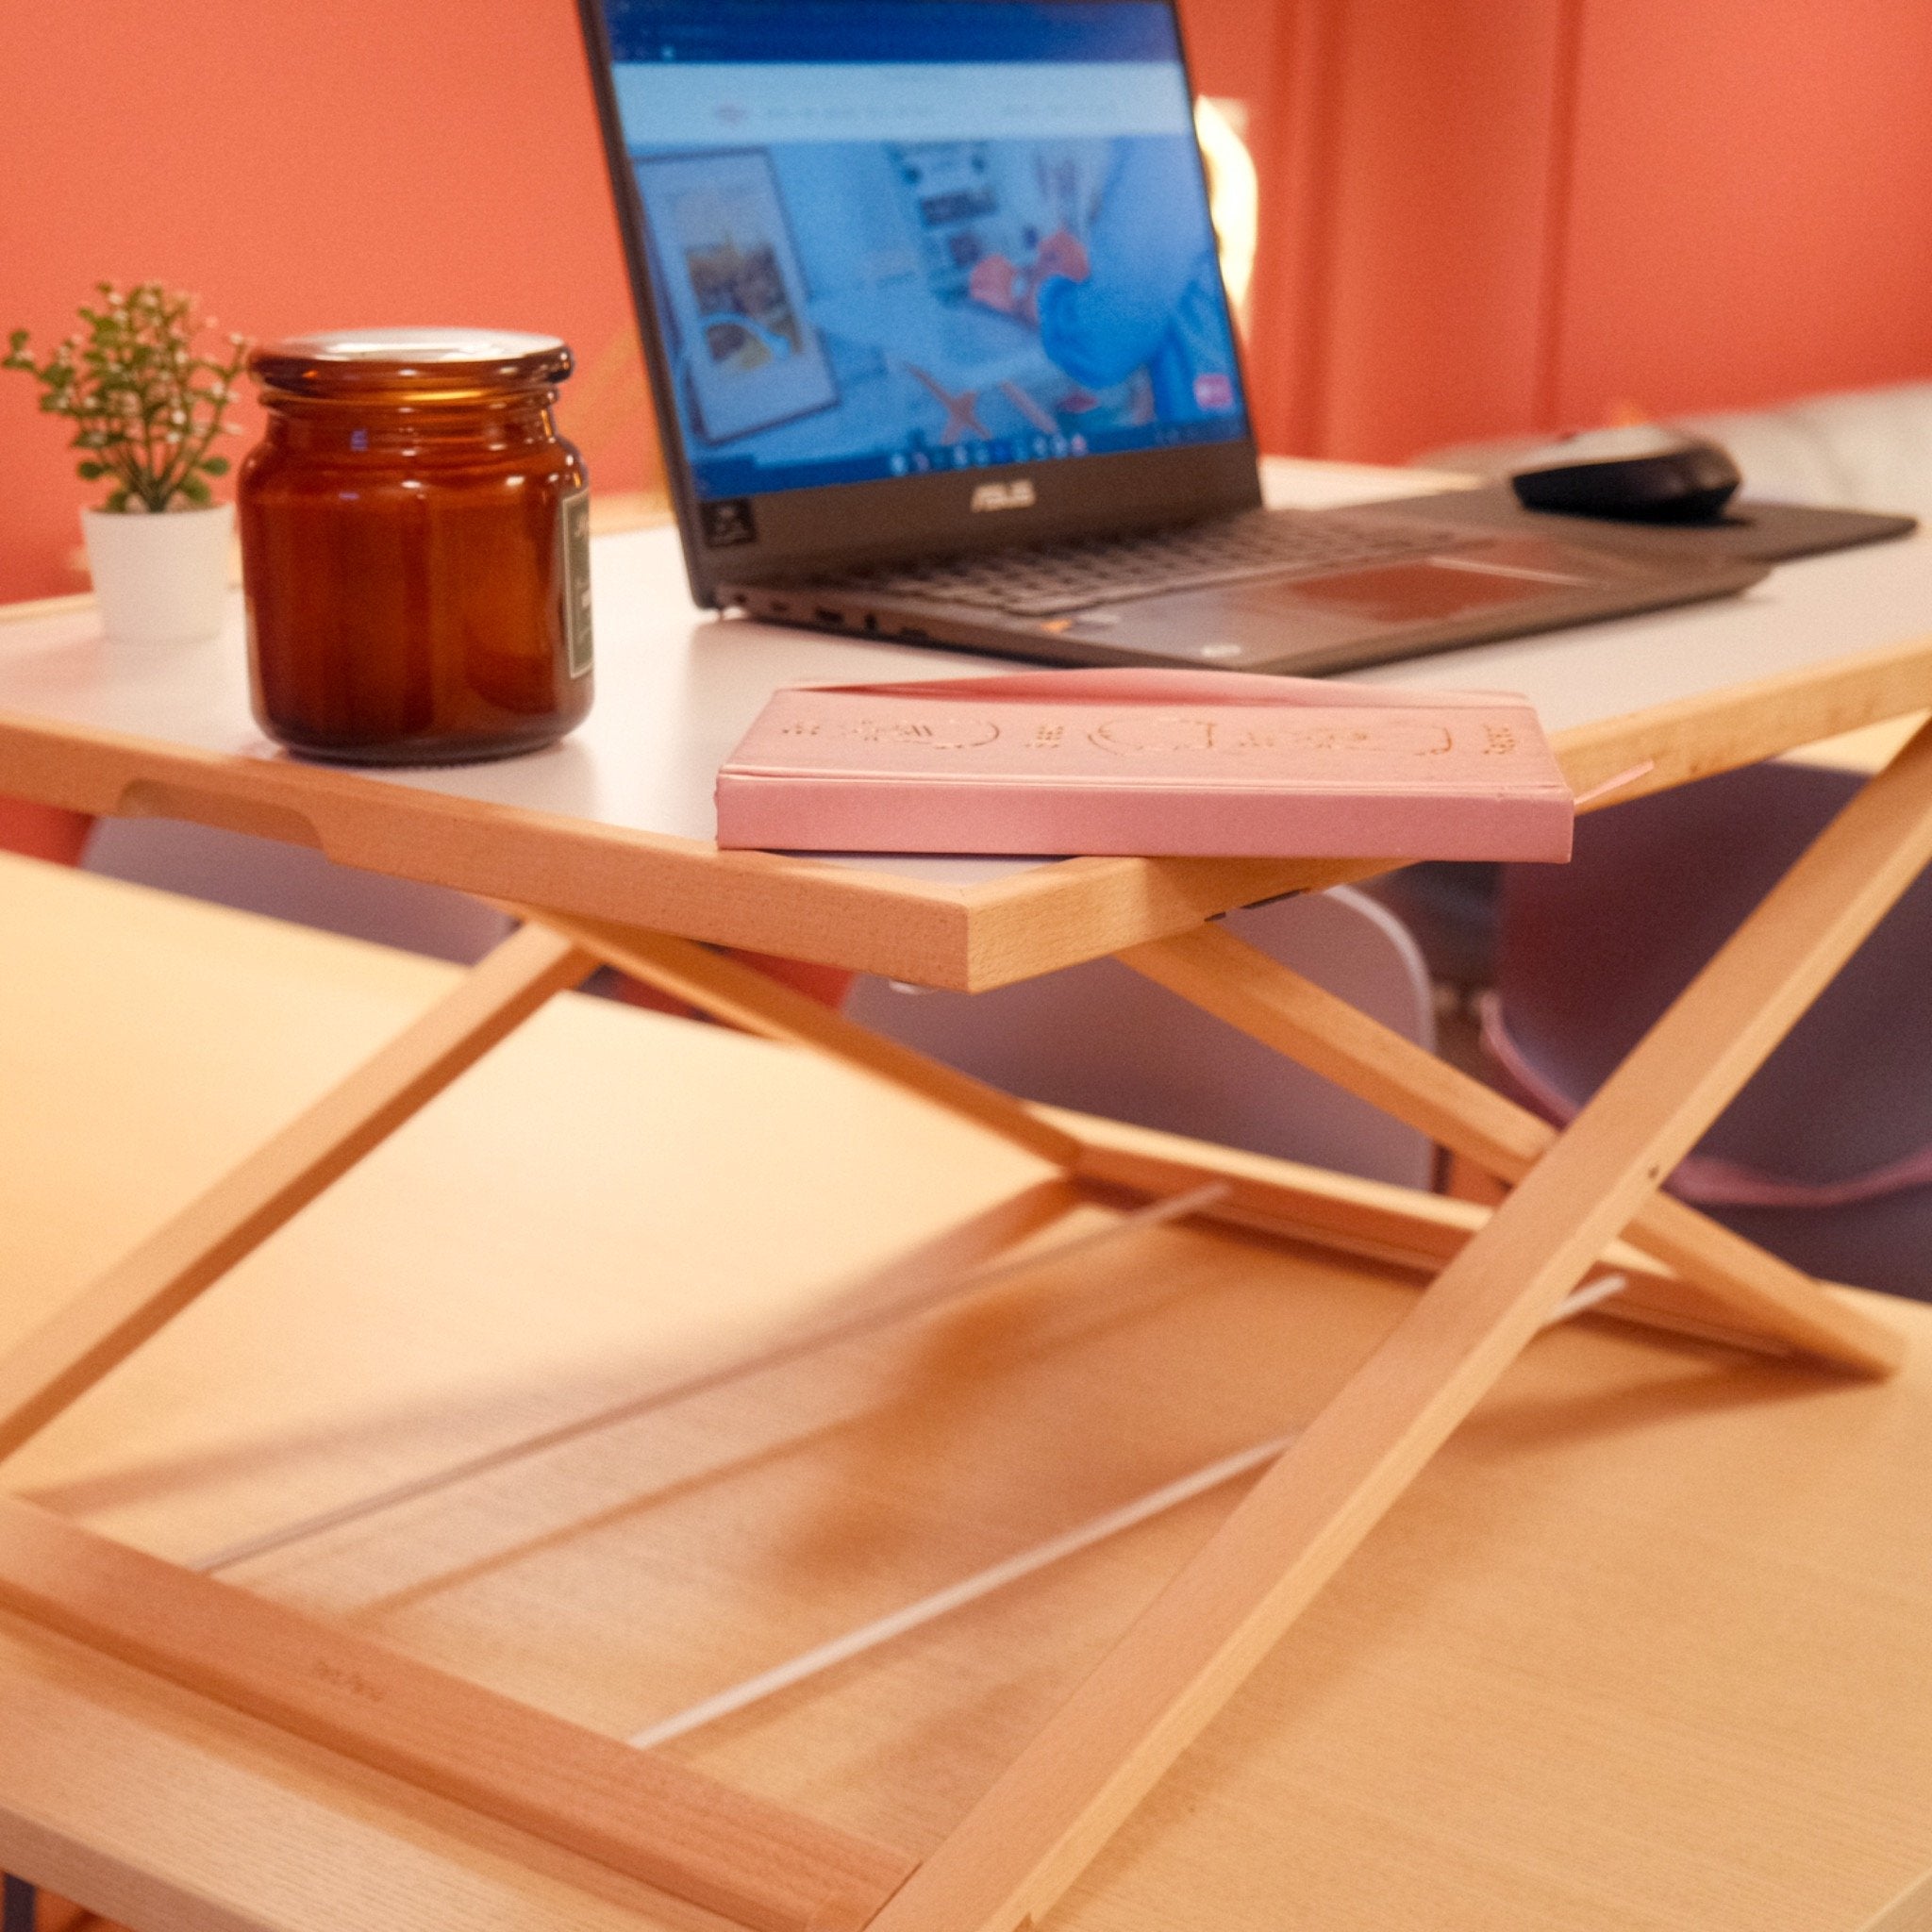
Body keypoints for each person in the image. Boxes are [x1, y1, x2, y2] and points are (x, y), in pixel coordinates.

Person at [967, 138, 1239, 425]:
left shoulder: (1158, 152)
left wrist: (1018, 290)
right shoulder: (1157, 152)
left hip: (1208, 426)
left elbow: (1101, 343)